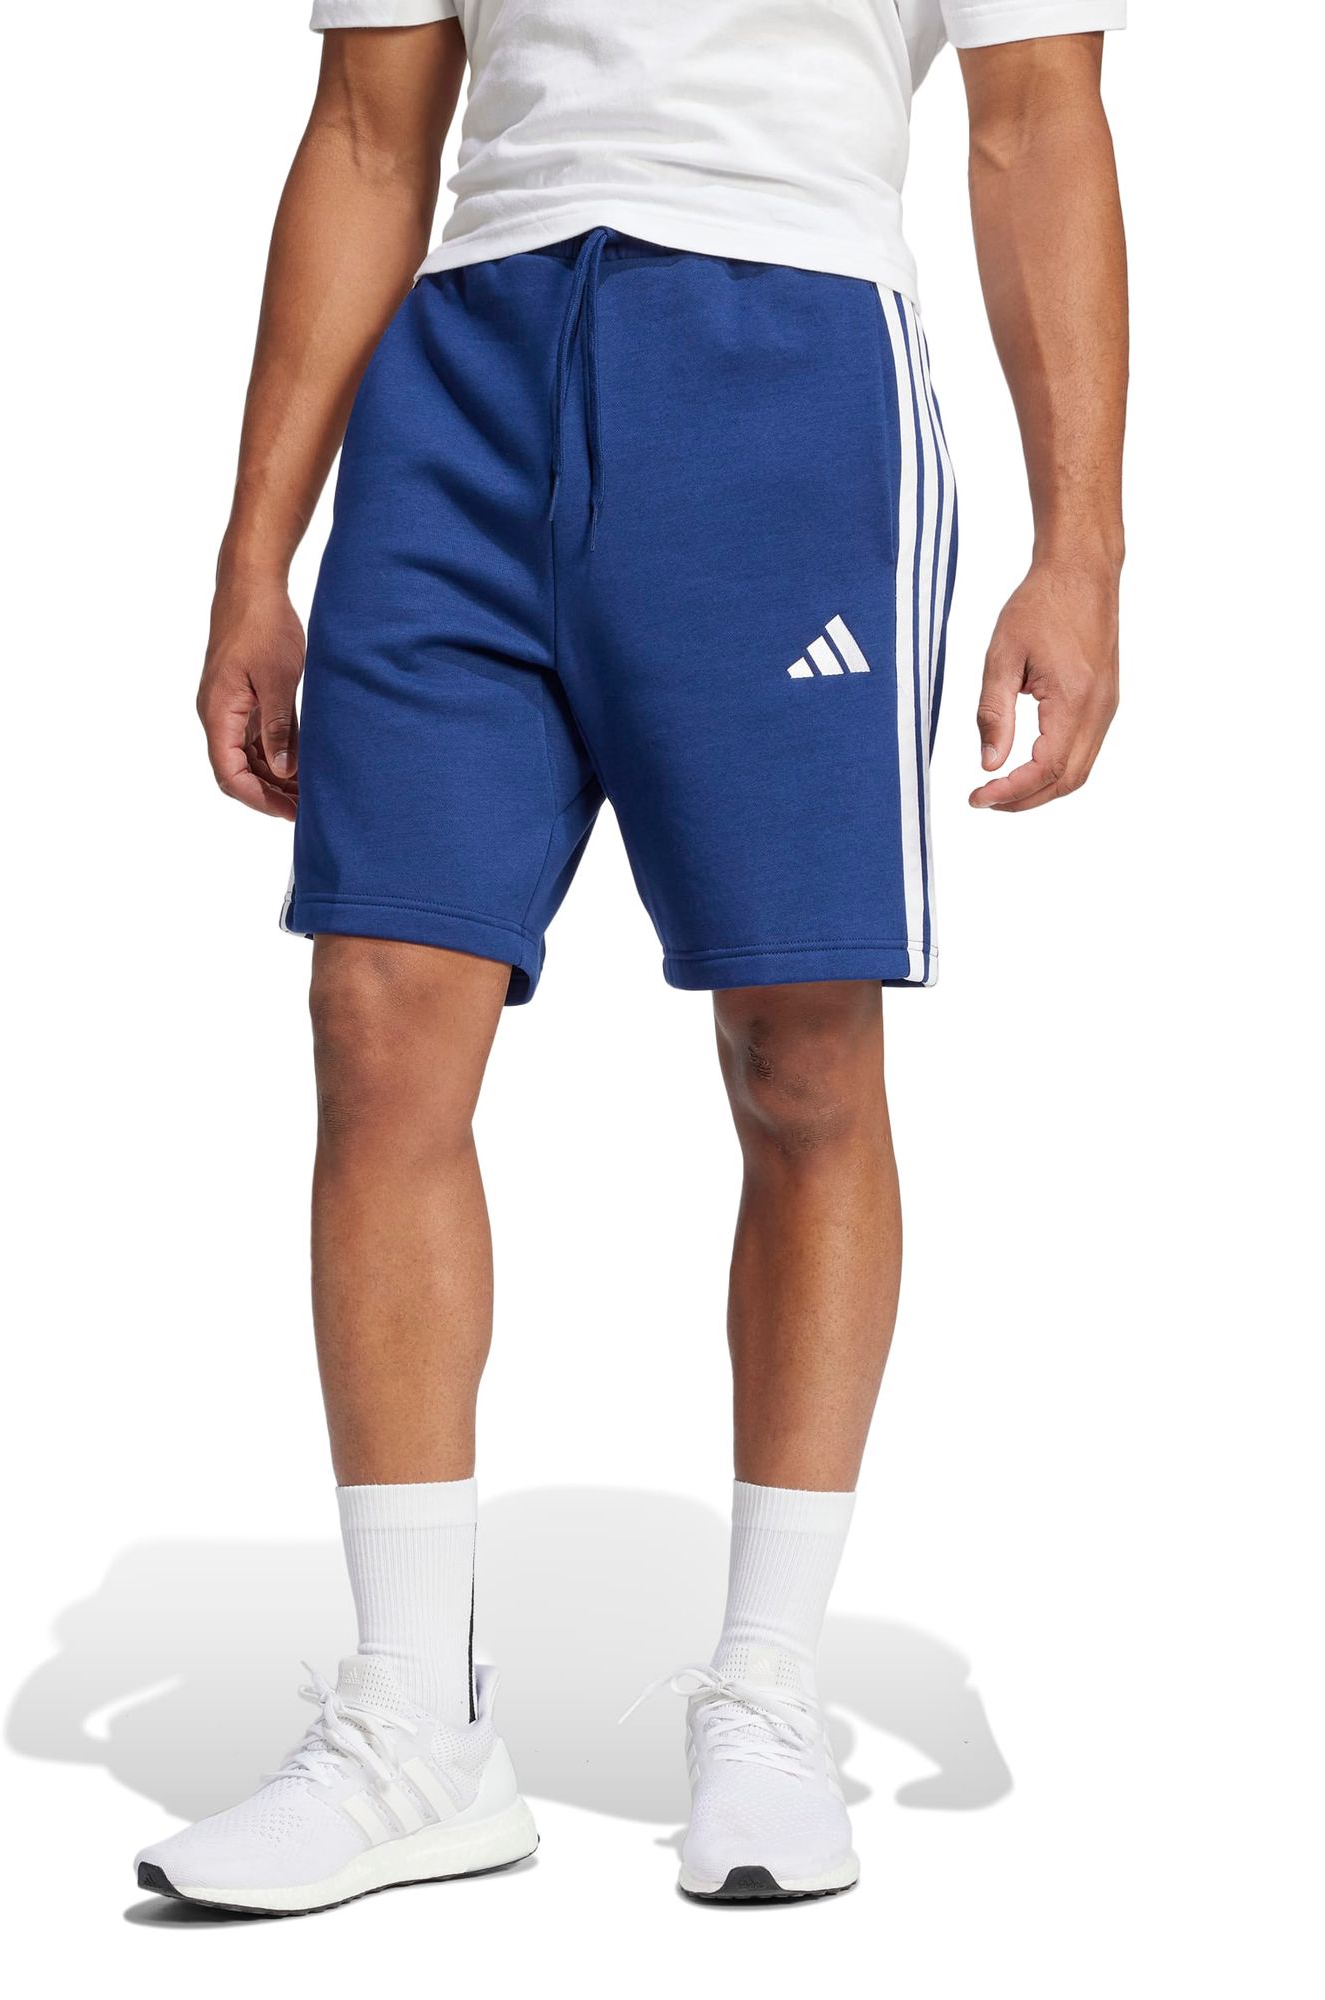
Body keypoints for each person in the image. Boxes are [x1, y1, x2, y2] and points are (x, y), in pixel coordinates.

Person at [136, 0, 1127, 1914]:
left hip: (788, 371)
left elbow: (1037, 127)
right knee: (376, 1011)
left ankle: (767, 1693)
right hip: (463, 382)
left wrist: (1081, 547)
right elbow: (367, 136)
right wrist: (256, 553)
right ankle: (412, 1720)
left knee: (802, 1051)